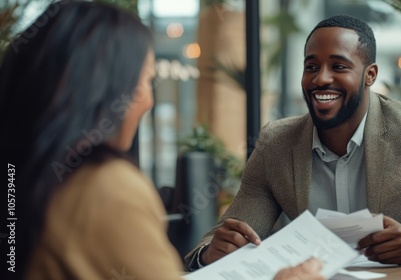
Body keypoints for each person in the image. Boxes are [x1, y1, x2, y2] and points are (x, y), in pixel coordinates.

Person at [0, 1, 324, 279]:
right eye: (147, 80)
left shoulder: (26, 176)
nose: (148, 101)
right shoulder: (108, 188)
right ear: (108, 91)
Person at [185, 15, 401, 270]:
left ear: (369, 75)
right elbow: (229, 233)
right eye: (312, 66)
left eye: (339, 66)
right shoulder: (276, 142)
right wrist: (211, 254)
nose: (321, 79)